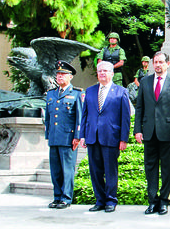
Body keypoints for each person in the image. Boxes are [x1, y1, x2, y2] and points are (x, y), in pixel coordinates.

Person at [134, 52, 170, 215]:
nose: (158, 65)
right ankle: (152, 201)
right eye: (155, 62)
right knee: (150, 167)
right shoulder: (145, 82)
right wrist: (138, 129)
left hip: (168, 133)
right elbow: (140, 107)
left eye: (161, 62)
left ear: (168, 64)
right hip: (149, 132)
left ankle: (164, 200)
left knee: (167, 168)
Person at [80, 61, 131, 213]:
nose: (102, 73)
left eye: (105, 71)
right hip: (92, 136)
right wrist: (82, 135)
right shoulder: (90, 91)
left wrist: (124, 138)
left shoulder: (121, 91)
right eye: (100, 71)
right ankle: (100, 200)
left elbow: (125, 118)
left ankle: (110, 200)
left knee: (110, 171)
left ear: (112, 73)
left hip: (111, 137)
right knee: (95, 171)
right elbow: (85, 115)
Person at [44, 61, 83, 209]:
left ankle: (66, 198)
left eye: (63, 74)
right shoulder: (51, 93)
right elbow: (48, 116)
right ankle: (57, 196)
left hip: (68, 138)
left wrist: (77, 136)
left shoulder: (76, 93)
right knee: (56, 170)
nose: (60, 77)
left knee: (67, 170)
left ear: (70, 77)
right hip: (54, 137)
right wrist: (48, 134)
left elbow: (79, 117)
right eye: (58, 74)